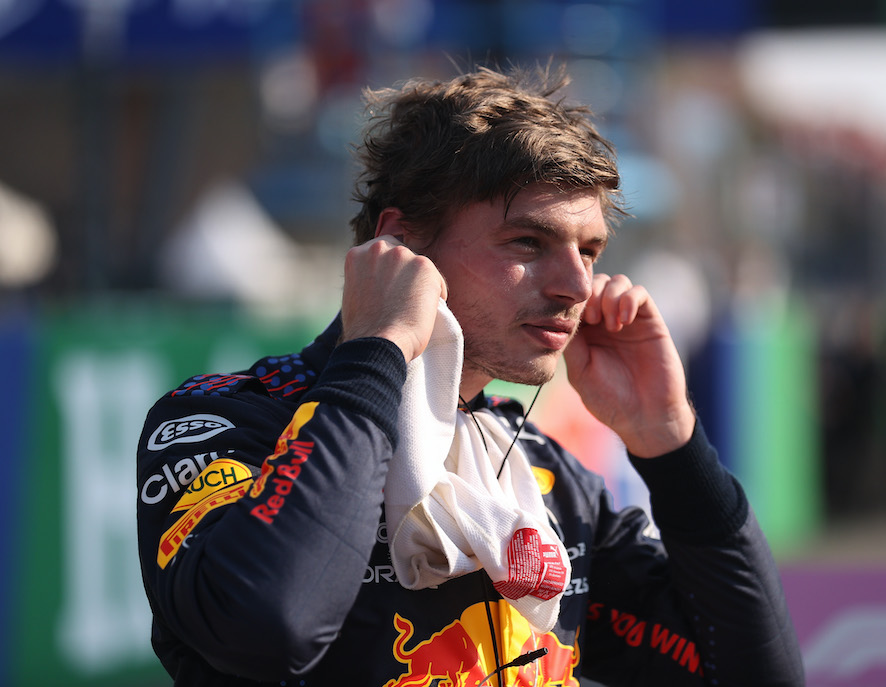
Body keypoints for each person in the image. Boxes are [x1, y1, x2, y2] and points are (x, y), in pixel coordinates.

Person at [137, 64, 804, 686]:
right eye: (528, 242)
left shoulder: (549, 477)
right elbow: (269, 626)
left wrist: (672, 443)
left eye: (590, 249)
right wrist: (379, 348)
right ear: (400, 243)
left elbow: (750, 673)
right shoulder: (227, 424)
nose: (577, 284)